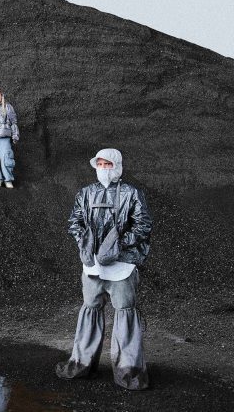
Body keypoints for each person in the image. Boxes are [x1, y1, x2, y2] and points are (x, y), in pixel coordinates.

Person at [55, 148, 153, 390]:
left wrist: (119, 245)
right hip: (92, 267)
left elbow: (143, 225)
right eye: (99, 164)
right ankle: (82, 363)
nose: (103, 168)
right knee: (90, 309)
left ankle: (128, 370)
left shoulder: (132, 194)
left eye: (108, 164)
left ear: (117, 166)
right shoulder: (85, 193)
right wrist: (83, 241)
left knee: (125, 313)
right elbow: (75, 221)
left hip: (122, 267)